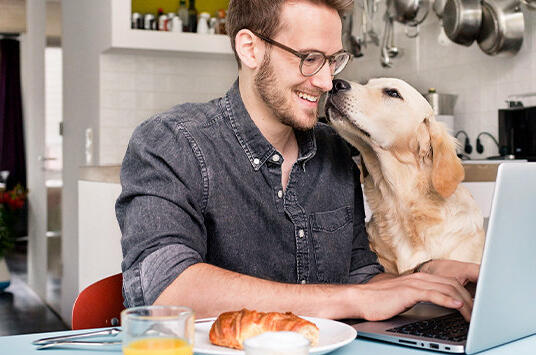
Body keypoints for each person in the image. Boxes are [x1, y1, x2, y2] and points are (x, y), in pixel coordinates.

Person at [116, 0, 478, 321]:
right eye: (309, 58)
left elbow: (359, 274)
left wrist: (423, 275)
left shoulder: (336, 151)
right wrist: (351, 299)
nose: (325, 81)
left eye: (333, 60)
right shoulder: (170, 143)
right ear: (250, 49)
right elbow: (166, 291)